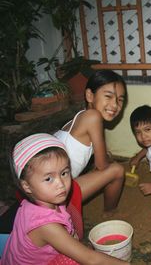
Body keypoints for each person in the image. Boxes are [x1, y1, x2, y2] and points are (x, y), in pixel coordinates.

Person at [1, 133, 129, 265]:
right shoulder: (46, 226)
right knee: (75, 260)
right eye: (48, 178)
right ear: (26, 186)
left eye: (64, 173)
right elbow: (91, 259)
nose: (61, 184)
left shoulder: (42, 200)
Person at [54, 70, 126, 218]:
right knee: (117, 170)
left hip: (48, 187)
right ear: (89, 95)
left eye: (120, 100)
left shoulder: (80, 117)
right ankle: (110, 211)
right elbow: (101, 165)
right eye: (108, 96)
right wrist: (106, 161)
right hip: (57, 195)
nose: (115, 105)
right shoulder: (93, 117)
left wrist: (105, 157)